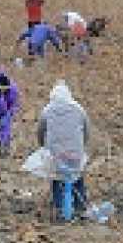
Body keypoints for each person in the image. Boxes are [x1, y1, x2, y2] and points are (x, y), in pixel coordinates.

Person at [37, 80, 89, 217]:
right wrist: (82, 147)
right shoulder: (79, 109)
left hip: (55, 156)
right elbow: (86, 130)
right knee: (77, 177)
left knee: (57, 178)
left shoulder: (47, 110)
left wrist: (43, 147)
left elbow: (41, 131)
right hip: (75, 154)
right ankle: (80, 205)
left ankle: (59, 207)